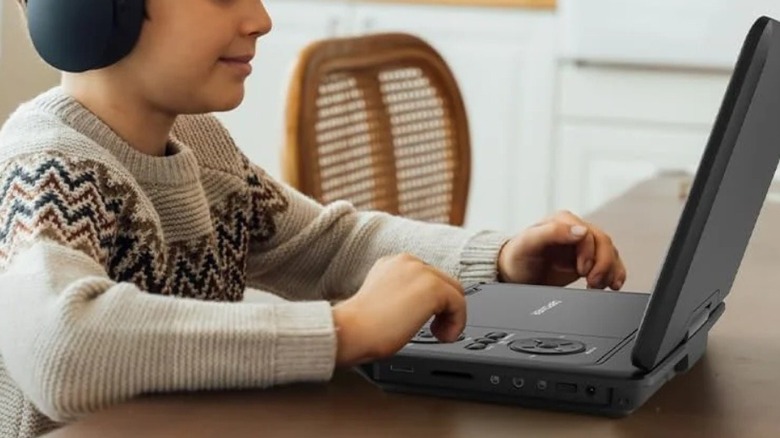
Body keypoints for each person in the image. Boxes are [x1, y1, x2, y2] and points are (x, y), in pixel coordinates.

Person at [0, 1, 626, 436]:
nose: (261, 18)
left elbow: (327, 245)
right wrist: (342, 331)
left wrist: (499, 259)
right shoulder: (46, 168)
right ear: (92, 7)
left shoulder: (202, 147)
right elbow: (61, 344)